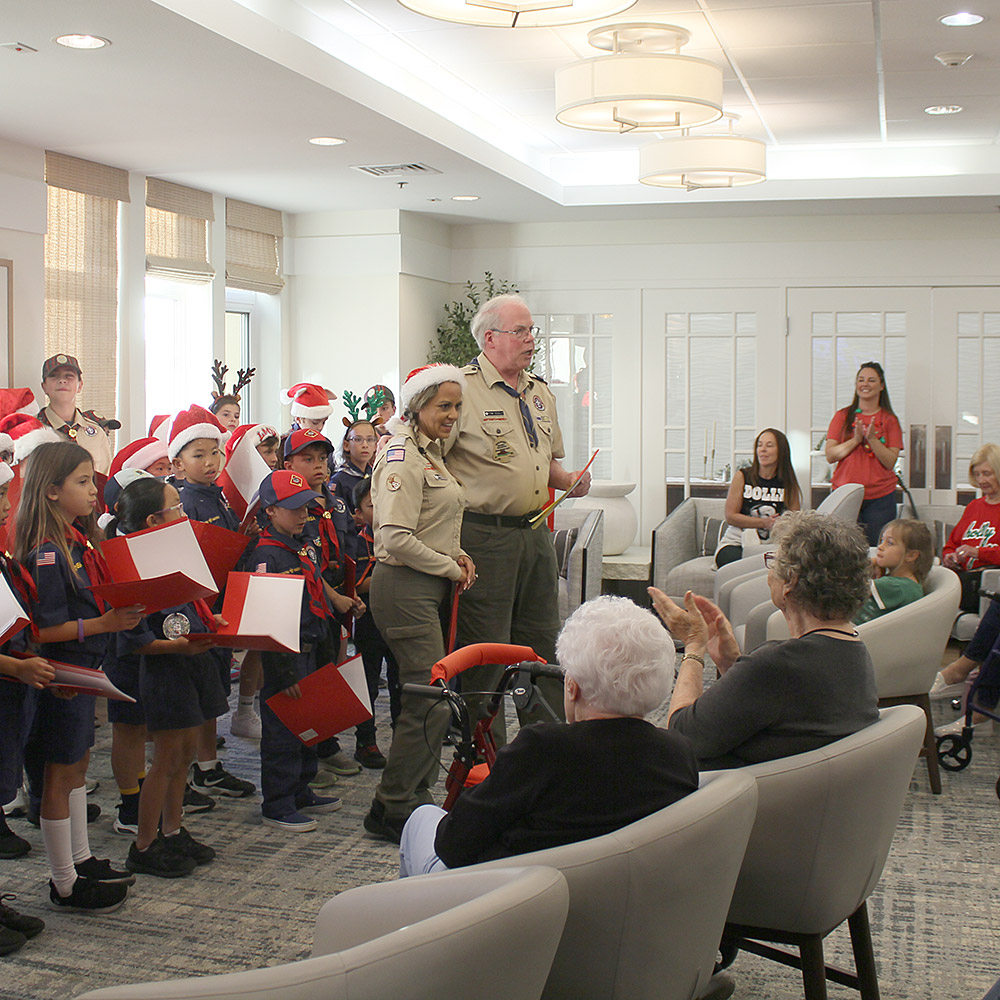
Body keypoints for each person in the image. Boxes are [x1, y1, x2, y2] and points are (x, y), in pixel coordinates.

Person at [398, 596, 698, 875]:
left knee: (421, 818)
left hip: (507, 895)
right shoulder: (678, 753)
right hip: (618, 890)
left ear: (572, 687)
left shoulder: (542, 749)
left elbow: (451, 845)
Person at [443, 294, 592, 735]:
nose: (531, 340)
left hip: (534, 534)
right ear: (490, 338)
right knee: (487, 649)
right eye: (521, 331)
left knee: (542, 644)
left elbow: (546, 462)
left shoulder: (539, 391)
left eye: (532, 331)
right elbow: (431, 460)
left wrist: (569, 480)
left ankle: (544, 744)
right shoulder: (459, 391)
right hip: (483, 536)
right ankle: (483, 750)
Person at [15, 442, 144, 912]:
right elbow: (43, 629)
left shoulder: (76, 540)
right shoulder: (48, 553)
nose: (94, 491)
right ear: (51, 491)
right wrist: (104, 624)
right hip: (60, 677)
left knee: (76, 770)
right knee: (59, 774)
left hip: (84, 672)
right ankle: (64, 882)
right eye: (83, 481)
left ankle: (81, 858)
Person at [650, 510, 879, 769]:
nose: (769, 574)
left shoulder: (778, 664)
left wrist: (693, 645)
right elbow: (776, 709)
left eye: (774, 562)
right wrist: (732, 665)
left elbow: (683, 736)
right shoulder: (855, 652)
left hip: (731, 790)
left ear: (791, 582)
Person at [363, 364, 476, 843]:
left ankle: (411, 797)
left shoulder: (430, 451)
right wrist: (449, 567)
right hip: (404, 586)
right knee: (431, 700)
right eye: (443, 406)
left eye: (456, 406)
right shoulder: (402, 457)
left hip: (427, 583)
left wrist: (457, 553)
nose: (452, 414)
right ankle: (393, 806)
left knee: (433, 698)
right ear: (416, 406)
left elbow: (431, 523)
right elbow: (394, 537)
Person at [109, 478, 227, 878]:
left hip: (189, 663)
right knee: (165, 759)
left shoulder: (173, 553)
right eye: (176, 507)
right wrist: (177, 647)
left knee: (185, 755)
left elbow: (187, 610)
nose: (184, 513)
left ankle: (173, 830)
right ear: (153, 519)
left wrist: (210, 622)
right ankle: (144, 843)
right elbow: (136, 642)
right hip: (164, 670)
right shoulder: (132, 565)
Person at [167, 406, 257, 801]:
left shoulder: (215, 496)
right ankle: (190, 771)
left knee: (213, 692)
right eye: (198, 455)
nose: (210, 462)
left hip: (220, 602)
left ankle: (208, 766)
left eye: (215, 453)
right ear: (178, 464)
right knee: (199, 694)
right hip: (200, 607)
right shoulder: (186, 502)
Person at [253, 471, 343, 831]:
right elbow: (267, 619)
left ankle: (301, 789)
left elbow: (316, 593)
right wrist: (283, 671)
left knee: (309, 724)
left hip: (312, 646)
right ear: (270, 511)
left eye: (306, 507)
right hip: (286, 655)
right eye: (293, 508)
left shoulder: (303, 545)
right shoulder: (266, 555)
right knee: (283, 733)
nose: (303, 515)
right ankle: (278, 802)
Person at [282, 428, 366, 780]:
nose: (318, 465)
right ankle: (305, 754)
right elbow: (304, 561)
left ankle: (325, 743)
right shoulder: (290, 509)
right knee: (305, 676)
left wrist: (352, 592)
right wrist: (334, 596)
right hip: (306, 603)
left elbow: (346, 554)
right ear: (288, 465)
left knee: (329, 669)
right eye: (307, 459)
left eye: (322, 458)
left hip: (336, 600)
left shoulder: (337, 505)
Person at [824, 361, 902, 546]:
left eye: (871, 380)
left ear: (881, 386)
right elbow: (830, 455)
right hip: (845, 493)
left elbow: (890, 461)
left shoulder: (890, 420)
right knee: (841, 549)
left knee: (876, 549)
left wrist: (872, 439)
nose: (865, 384)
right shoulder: (843, 416)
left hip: (880, 498)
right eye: (861, 380)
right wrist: (855, 440)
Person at [350, 476, 399, 767]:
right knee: (367, 681)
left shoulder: (402, 536)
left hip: (399, 614)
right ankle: (365, 741)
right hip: (369, 619)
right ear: (358, 513)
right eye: (371, 505)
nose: (380, 508)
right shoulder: (358, 543)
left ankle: (403, 738)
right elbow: (357, 583)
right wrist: (392, 571)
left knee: (400, 680)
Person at [716, 428, 801, 567]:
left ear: (781, 451)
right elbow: (731, 516)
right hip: (738, 540)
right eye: (759, 445)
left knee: (778, 563)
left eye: (769, 445)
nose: (763, 450)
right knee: (731, 561)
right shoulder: (743, 476)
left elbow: (795, 520)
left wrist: (780, 524)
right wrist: (763, 523)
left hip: (773, 543)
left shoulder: (788, 481)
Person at [940, 443, 1000, 613]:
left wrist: (978, 552)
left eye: (987, 473)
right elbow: (951, 544)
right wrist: (949, 557)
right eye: (977, 474)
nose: (981, 480)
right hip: (965, 581)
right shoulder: (974, 506)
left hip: (988, 587)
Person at [37, 355, 116, 477]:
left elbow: (105, 477)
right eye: (54, 376)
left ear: (80, 386)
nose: (62, 381)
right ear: (44, 387)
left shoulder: (97, 433)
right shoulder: (33, 430)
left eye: (69, 376)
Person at [854, 518, 932, 625]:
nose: (880, 547)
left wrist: (869, 563)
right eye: (882, 541)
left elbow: (844, 586)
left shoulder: (896, 586)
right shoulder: (909, 585)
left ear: (911, 555)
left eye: (890, 543)